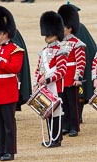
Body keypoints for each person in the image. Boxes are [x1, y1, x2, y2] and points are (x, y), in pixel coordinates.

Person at [0, 5, 24, 161]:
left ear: (5, 33)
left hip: (7, 92)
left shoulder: (15, 50)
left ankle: (10, 151)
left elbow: (14, 68)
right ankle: (0, 150)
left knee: (9, 124)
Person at [33, 10, 71, 148]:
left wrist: (47, 80)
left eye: (49, 33)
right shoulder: (43, 51)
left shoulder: (61, 50)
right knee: (47, 113)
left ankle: (57, 139)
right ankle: (51, 138)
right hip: (45, 87)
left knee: (56, 114)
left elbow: (61, 71)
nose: (47, 36)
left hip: (55, 87)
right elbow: (38, 69)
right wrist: (37, 82)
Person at [58, 4, 86, 137]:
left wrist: (78, 78)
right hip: (61, 78)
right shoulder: (58, 43)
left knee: (73, 104)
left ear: (69, 28)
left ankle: (74, 127)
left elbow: (80, 62)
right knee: (63, 104)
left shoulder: (77, 43)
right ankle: (66, 125)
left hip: (72, 77)